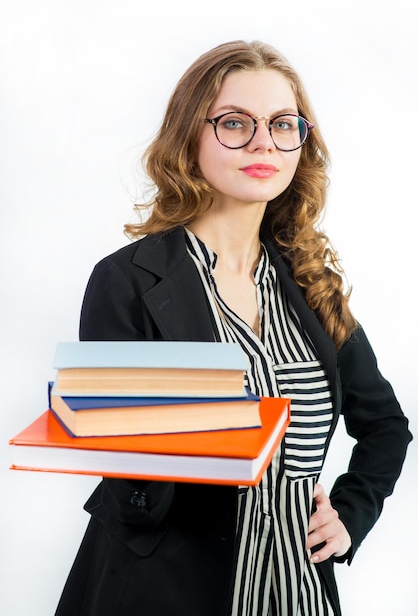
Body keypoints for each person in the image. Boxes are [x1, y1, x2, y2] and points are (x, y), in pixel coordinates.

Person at [55, 40, 412, 616]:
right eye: (235, 123)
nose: (263, 142)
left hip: (296, 589)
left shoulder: (310, 282)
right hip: (163, 590)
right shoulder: (128, 281)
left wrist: (350, 514)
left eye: (282, 124)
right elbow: (129, 491)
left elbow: (387, 426)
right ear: (189, 136)